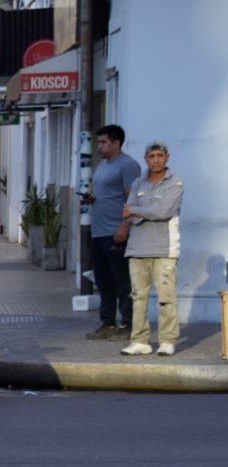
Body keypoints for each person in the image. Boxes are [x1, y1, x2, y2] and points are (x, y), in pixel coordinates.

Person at [120, 142, 184, 357]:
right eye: (151, 156)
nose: (156, 160)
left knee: (166, 297)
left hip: (164, 249)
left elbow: (163, 211)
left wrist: (136, 211)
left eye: (160, 155)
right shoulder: (138, 183)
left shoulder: (175, 184)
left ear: (167, 157)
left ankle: (167, 340)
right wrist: (140, 212)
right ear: (145, 159)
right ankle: (140, 340)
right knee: (138, 297)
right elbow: (128, 211)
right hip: (137, 248)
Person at [82, 125, 142, 341]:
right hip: (99, 232)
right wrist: (91, 199)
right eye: (99, 143)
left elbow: (132, 198)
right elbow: (107, 194)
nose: (99, 146)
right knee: (103, 280)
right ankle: (107, 323)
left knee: (122, 280)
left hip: (115, 231)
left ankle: (128, 324)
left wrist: (124, 227)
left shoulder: (128, 165)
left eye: (103, 142)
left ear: (116, 143)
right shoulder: (103, 166)